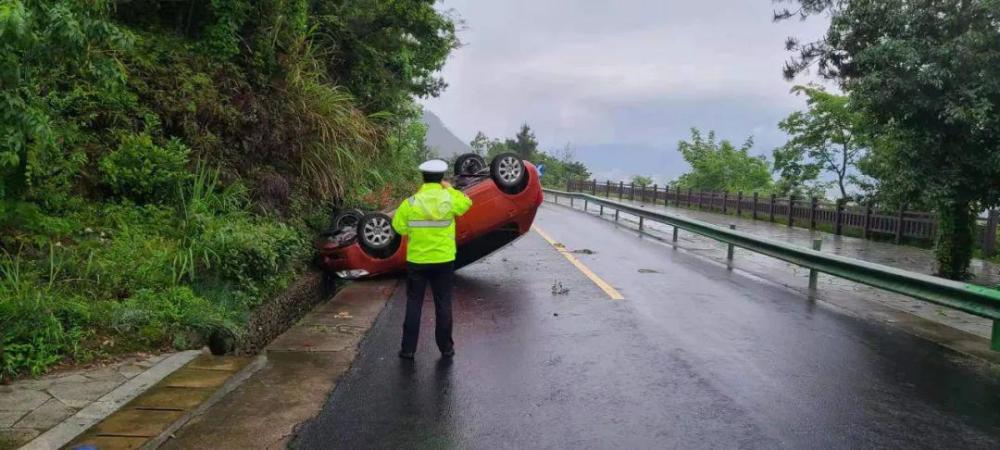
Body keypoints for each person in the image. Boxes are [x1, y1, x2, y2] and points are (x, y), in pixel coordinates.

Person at [392, 159, 473, 359]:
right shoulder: (449, 199)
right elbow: (467, 203)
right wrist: (450, 189)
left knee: (414, 304)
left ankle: (408, 350)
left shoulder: (410, 202)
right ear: (442, 179)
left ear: (423, 177)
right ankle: (446, 348)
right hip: (443, 261)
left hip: (417, 261)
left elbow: (399, 227)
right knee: (443, 303)